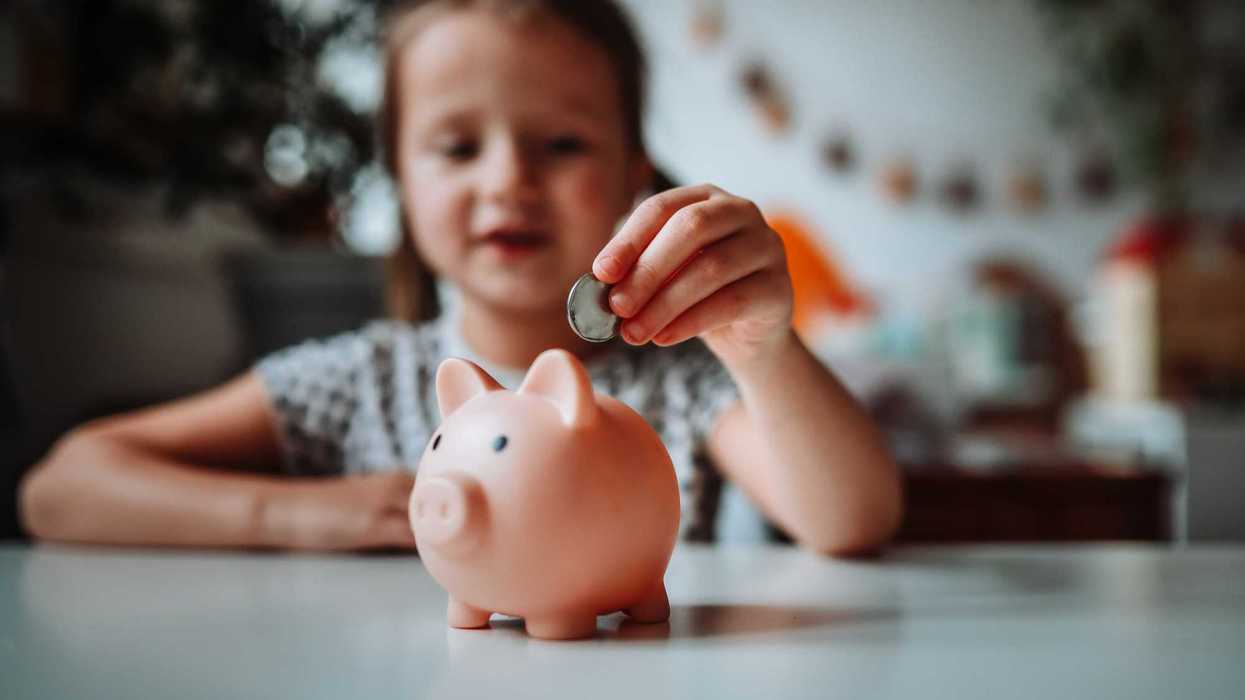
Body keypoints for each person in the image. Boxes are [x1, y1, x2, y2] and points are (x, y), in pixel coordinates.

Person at [18, 0, 901, 555]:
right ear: (402, 177)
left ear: (636, 172)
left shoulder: (677, 389)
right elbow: (62, 488)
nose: (505, 181)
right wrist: (299, 517)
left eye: (561, 145)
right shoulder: (357, 385)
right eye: (456, 146)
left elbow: (851, 520)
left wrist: (761, 347)